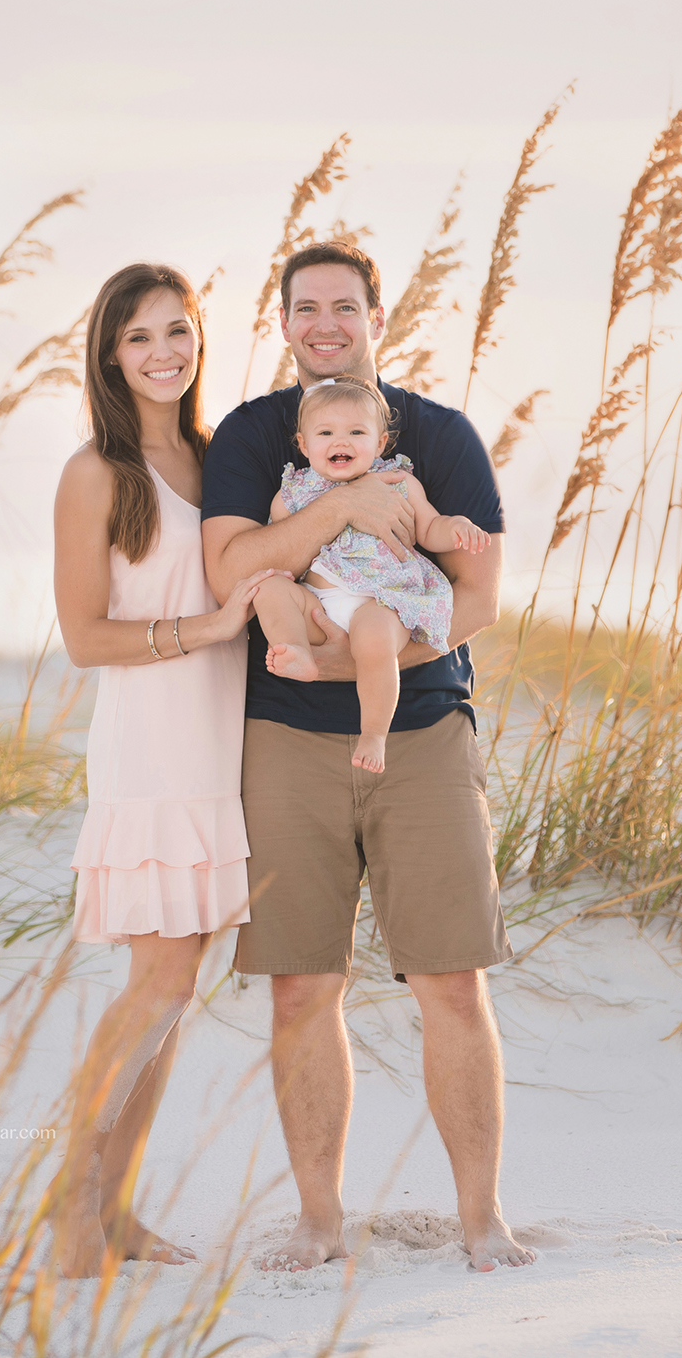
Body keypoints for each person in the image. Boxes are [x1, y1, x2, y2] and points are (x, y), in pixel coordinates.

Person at [200, 241, 535, 1273]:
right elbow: (229, 567)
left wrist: (356, 663)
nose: (323, 324)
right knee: (300, 987)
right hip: (284, 741)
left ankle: (481, 1218)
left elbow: (476, 597)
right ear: (284, 320)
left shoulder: (436, 434)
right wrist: (338, 509)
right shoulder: (256, 436)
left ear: (377, 317)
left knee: (449, 979)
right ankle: (318, 1220)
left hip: (425, 727)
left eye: (343, 307)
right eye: (305, 308)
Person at [50, 261, 284, 1278]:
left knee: (174, 990)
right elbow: (84, 637)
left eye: (177, 332)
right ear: (110, 353)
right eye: (140, 336)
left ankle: (119, 1210)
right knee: (155, 982)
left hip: (218, 748)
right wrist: (208, 624)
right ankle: (67, 1216)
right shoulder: (95, 473)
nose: (162, 353)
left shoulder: (218, 458)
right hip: (149, 755)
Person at [253, 374, 490, 773]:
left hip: (381, 600)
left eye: (356, 432)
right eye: (325, 432)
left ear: (380, 442)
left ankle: (374, 734)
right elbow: (280, 547)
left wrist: (457, 528)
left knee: (376, 642)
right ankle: (296, 651)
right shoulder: (292, 492)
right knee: (268, 589)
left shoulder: (398, 483)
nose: (340, 441)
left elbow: (430, 529)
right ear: (304, 444)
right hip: (319, 604)